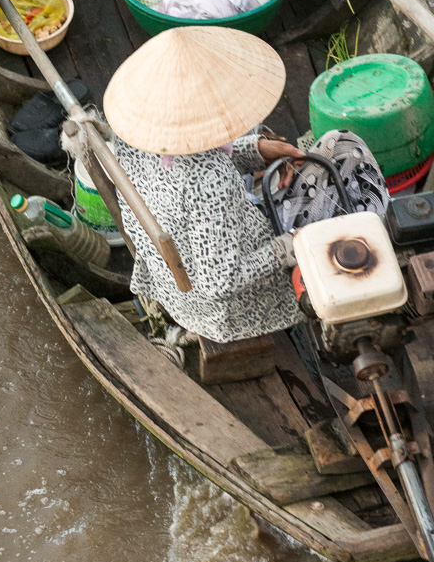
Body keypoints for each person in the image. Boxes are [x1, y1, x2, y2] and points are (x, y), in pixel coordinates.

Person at [100, 26, 306, 343]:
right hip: (213, 310)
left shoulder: (133, 132)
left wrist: (255, 150)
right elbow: (220, 283)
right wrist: (291, 245)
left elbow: (184, 158)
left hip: (166, 273)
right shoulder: (210, 178)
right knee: (335, 168)